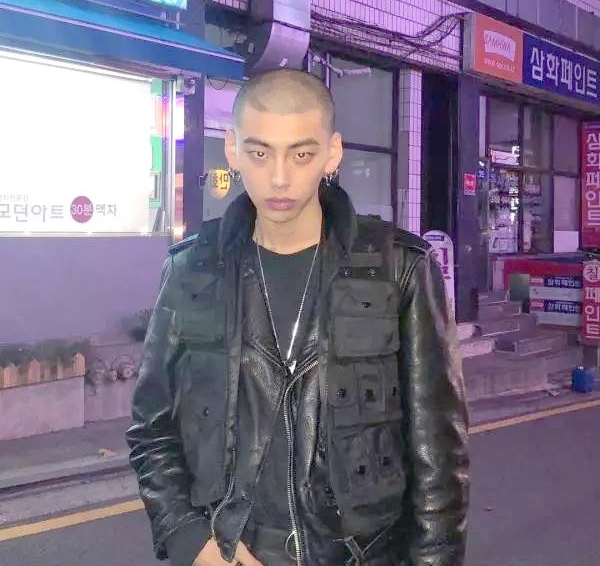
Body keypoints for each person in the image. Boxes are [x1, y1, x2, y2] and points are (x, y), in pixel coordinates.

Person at [126, 68, 469, 566]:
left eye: (302, 154)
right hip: (231, 550)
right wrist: (189, 541)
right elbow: (151, 427)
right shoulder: (191, 270)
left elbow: (439, 460)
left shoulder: (399, 269)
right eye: (260, 153)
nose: (280, 178)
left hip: (362, 555)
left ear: (332, 153)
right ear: (232, 150)